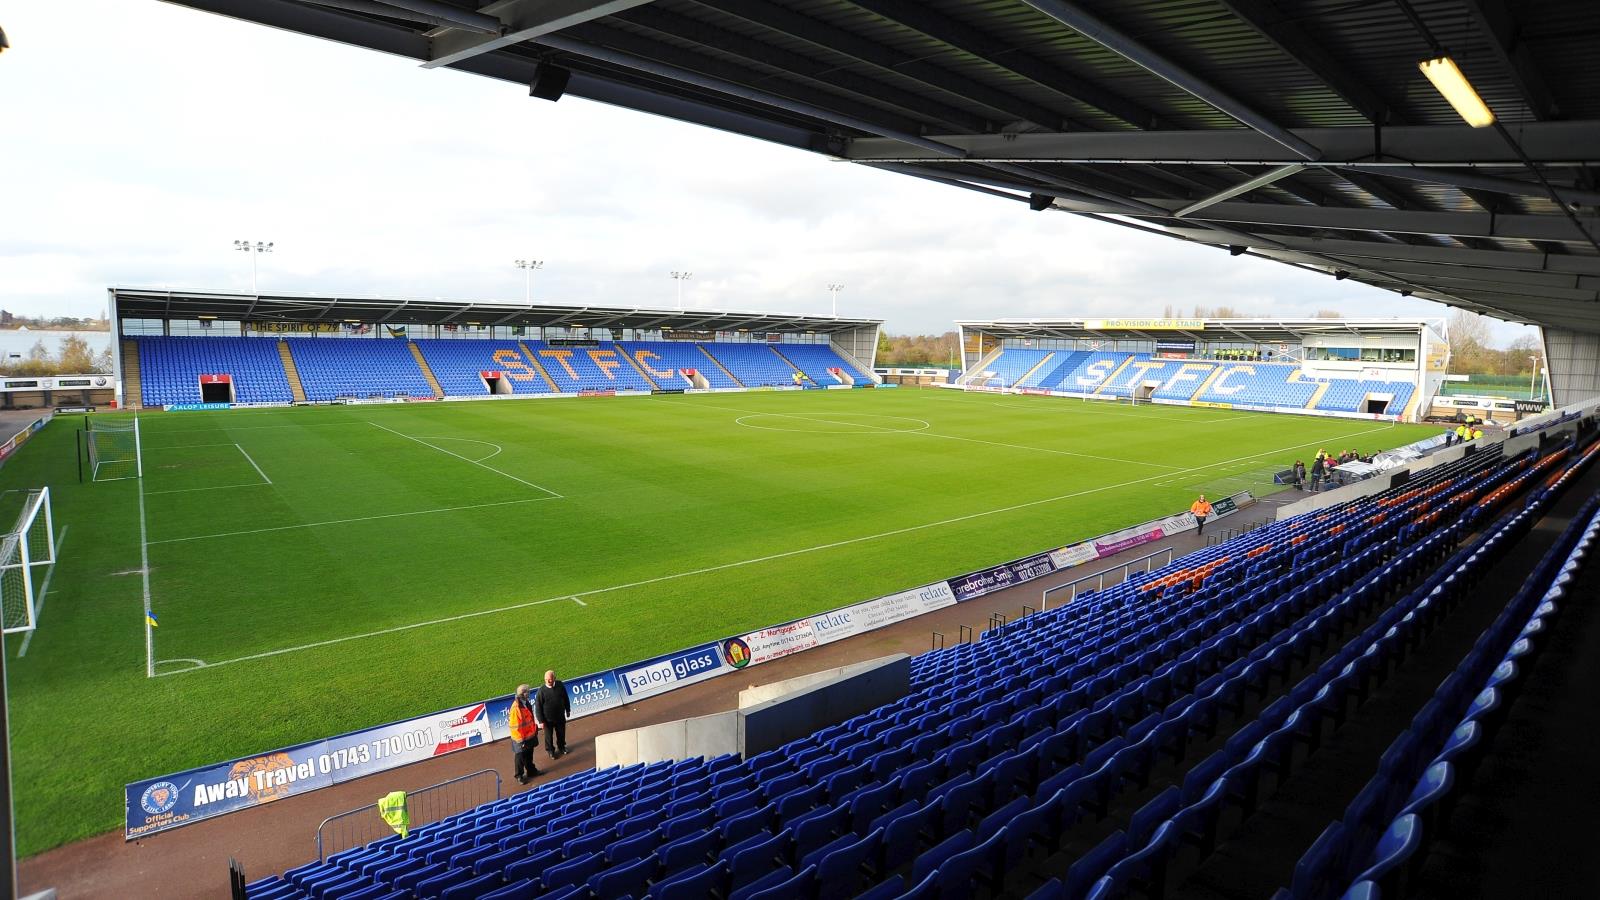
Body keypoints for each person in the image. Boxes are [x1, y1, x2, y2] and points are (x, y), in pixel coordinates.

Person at [535, 670, 571, 760]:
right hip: (547, 720)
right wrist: (541, 721)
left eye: (550, 679)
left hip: (560, 716)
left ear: (554, 678)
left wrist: (568, 710)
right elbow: (538, 707)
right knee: (548, 737)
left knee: (561, 734)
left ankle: (562, 747)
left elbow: (566, 697)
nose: (548, 681)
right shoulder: (541, 691)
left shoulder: (560, 685)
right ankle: (550, 751)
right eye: (546, 679)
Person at [508, 684, 539, 784]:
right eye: (528, 692)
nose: (529, 693)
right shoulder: (516, 708)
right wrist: (521, 741)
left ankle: (531, 770)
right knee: (520, 757)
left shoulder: (525, 703)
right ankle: (519, 776)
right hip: (521, 739)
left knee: (529, 755)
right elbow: (515, 727)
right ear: (523, 694)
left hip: (529, 735)